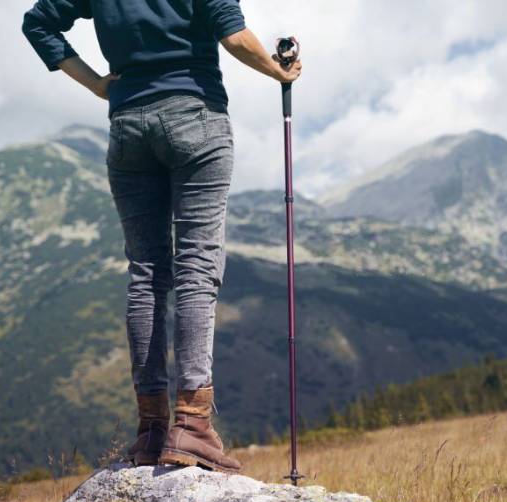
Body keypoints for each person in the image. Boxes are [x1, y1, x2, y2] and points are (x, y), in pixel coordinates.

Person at [22, 0, 301, 474]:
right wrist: (281, 72)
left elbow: (38, 22)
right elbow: (234, 37)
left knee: (147, 273)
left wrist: (95, 84)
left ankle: (151, 430)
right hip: (196, 117)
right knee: (196, 267)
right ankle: (191, 426)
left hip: (128, 125)